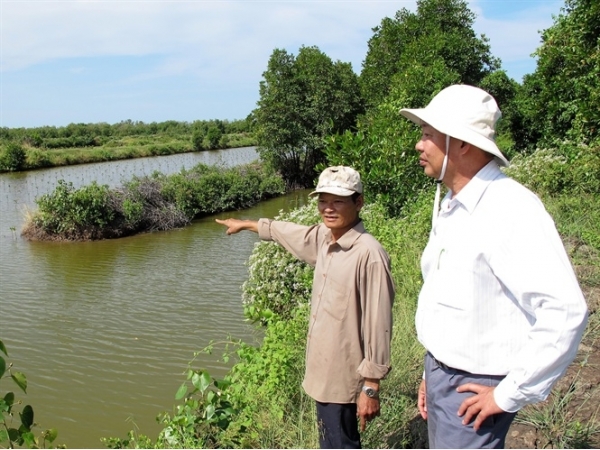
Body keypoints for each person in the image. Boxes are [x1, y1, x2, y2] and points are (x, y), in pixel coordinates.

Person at [399, 84, 588, 448]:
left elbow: (565, 311)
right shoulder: (453, 204)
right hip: (441, 374)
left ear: (463, 144)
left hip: (473, 388)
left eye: (427, 135)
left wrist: (507, 395)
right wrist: (431, 373)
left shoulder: (510, 208)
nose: (418, 146)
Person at [215, 166, 395, 449]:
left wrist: (371, 386)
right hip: (322, 374)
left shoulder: (368, 254)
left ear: (358, 202)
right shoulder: (325, 239)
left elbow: (378, 322)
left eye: (338, 200)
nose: (328, 208)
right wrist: (248, 224)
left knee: (341, 444)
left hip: (344, 377)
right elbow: (290, 233)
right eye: (323, 200)